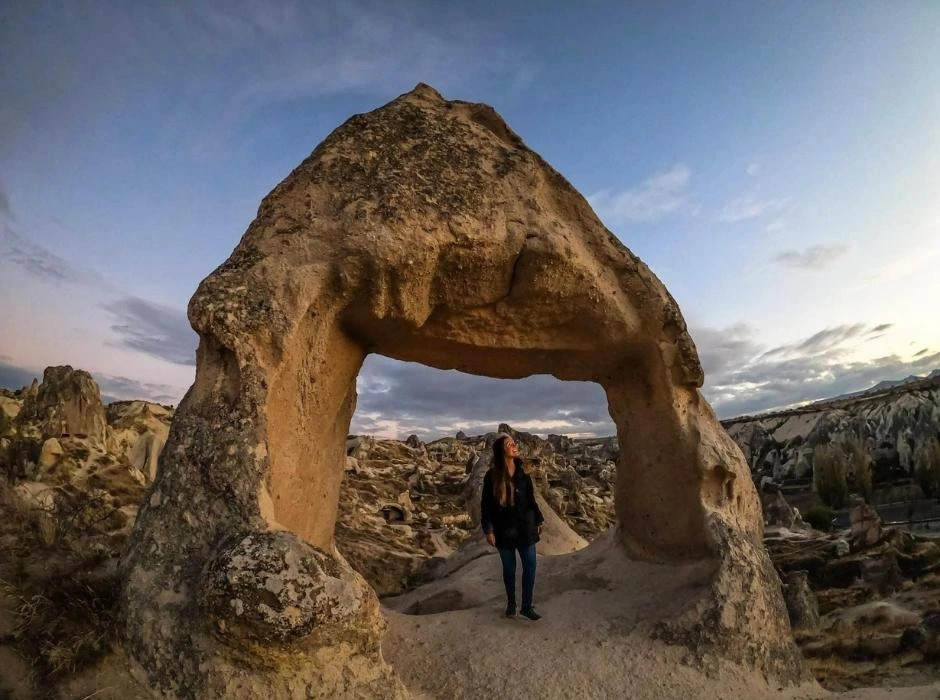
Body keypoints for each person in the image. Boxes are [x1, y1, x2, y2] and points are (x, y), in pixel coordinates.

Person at [480, 433, 544, 620]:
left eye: (514, 443)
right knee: (509, 569)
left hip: (525, 526)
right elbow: (486, 505)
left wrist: (539, 520)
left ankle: (526, 606)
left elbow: (532, 500)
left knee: (530, 566)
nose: (515, 445)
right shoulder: (492, 476)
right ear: (502, 450)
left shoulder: (523, 475)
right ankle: (511, 604)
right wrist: (488, 529)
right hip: (503, 528)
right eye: (510, 444)